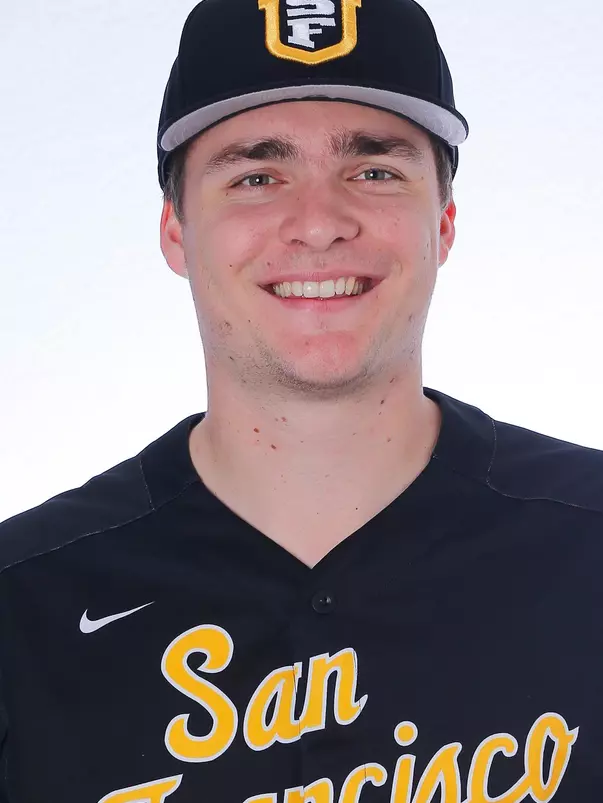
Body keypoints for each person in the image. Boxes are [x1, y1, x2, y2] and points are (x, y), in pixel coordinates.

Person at [0, 0, 601, 800]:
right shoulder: (24, 605)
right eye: (257, 175)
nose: (318, 224)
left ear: (444, 223)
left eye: (373, 170)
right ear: (177, 232)